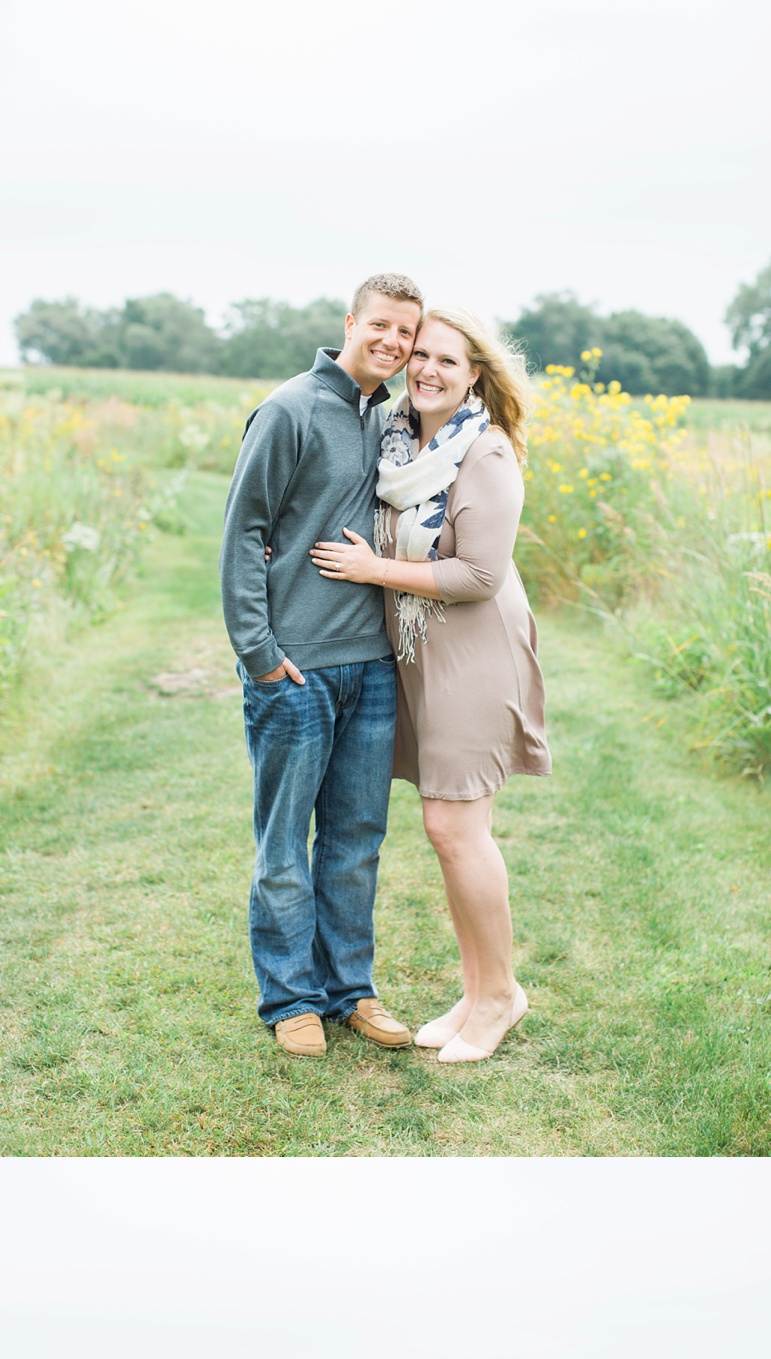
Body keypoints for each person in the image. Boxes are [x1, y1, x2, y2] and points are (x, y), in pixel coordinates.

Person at [310, 307, 550, 1064]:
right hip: (420, 654)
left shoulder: (485, 454)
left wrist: (375, 570)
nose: (428, 370)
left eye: (449, 361)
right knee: (445, 835)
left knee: (456, 830)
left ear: (474, 373)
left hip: (474, 655)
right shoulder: (399, 443)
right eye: (421, 356)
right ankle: (478, 988)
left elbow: (478, 575)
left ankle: (500, 996)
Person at [220, 275, 423, 1059]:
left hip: (370, 667)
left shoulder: (394, 422)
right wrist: (260, 656)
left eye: (405, 333)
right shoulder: (288, 409)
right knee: (283, 846)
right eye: (381, 325)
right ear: (351, 322)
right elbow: (245, 533)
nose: (393, 342)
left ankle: (352, 991)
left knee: (356, 840)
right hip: (294, 671)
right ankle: (290, 997)